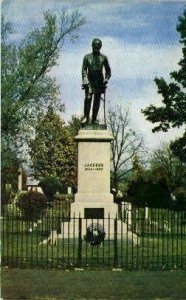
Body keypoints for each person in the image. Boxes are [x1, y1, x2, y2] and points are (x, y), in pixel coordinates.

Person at [81, 38, 111, 124]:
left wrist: (106, 79)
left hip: (99, 82)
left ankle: (94, 119)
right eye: (94, 46)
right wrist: (85, 80)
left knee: (97, 100)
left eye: (97, 46)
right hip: (89, 81)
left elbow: (108, 71)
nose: (95, 47)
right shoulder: (87, 57)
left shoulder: (104, 58)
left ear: (100, 47)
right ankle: (86, 117)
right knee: (88, 98)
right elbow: (83, 70)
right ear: (92, 46)